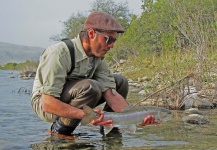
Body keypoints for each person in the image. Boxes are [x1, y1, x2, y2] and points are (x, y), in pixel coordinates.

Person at [31, 11, 157, 136]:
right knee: (91, 87)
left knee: (120, 82)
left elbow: (111, 96)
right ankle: (60, 132)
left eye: (114, 40)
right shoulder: (58, 53)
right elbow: (47, 104)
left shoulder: (97, 57)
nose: (112, 45)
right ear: (91, 34)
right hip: (46, 104)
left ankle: (111, 129)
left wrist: (136, 118)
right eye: (108, 40)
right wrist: (90, 116)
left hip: (74, 97)